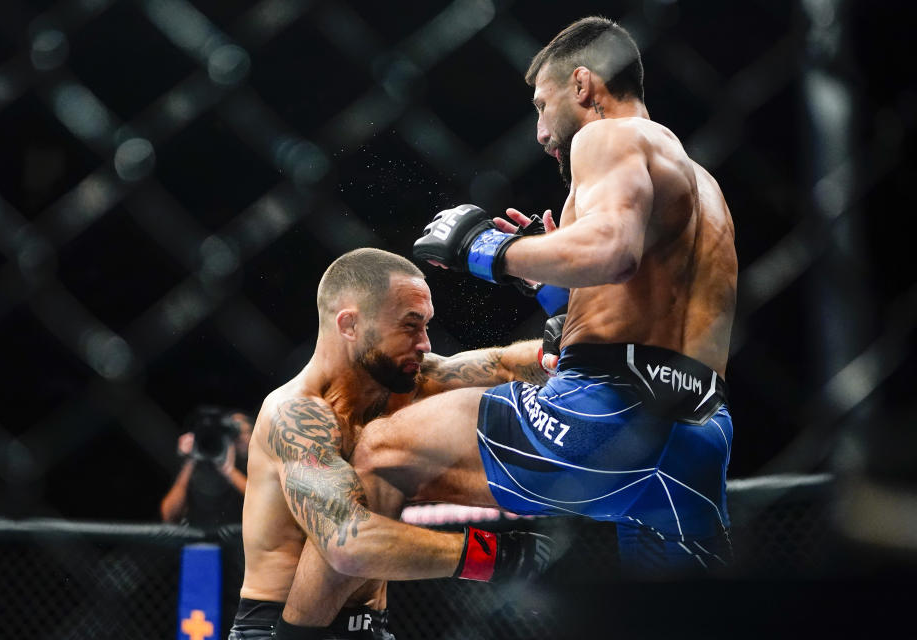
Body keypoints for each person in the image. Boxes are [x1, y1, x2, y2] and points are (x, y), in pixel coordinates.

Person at [282, 13, 738, 630]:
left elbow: (612, 249)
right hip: (699, 433)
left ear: (582, 86)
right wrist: (551, 286)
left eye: (542, 105)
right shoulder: (700, 183)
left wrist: (485, 250)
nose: (541, 131)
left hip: (600, 416)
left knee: (381, 451)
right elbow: (639, 301)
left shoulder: (606, 138)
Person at [229, 248, 553, 640]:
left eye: (426, 325)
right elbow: (348, 543)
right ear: (350, 325)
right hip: (281, 630)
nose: (425, 343)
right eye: (410, 326)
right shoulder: (295, 416)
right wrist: (494, 556)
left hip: (371, 628)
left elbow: (502, 364)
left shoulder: (403, 383)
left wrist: (567, 350)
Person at [160, 406, 252, 527]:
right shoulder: (197, 467)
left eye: (239, 432)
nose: (237, 439)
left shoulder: (253, 468)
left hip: (238, 541)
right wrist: (191, 459)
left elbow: (262, 504)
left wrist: (230, 471)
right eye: (231, 435)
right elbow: (169, 516)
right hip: (198, 541)